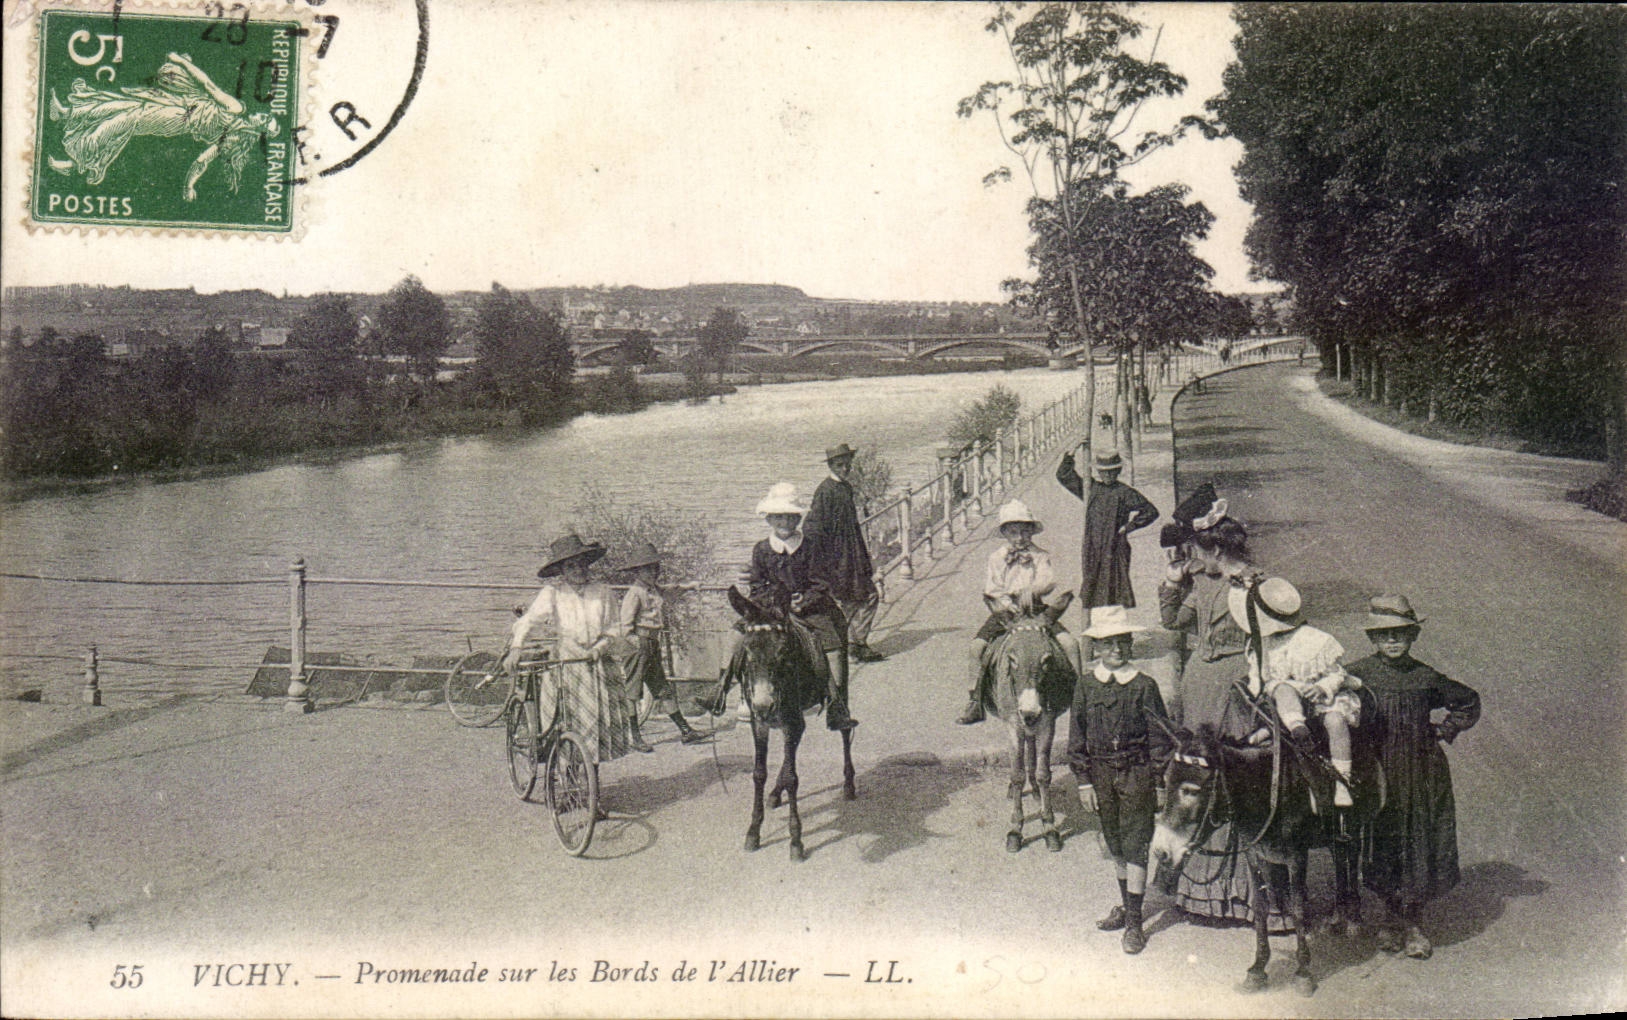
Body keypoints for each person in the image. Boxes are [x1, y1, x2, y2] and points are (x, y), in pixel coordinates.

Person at [1347, 595, 1480, 960]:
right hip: (1378, 772)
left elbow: (1468, 700)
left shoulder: (1425, 677)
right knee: (1383, 841)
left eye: (1401, 633)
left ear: (1413, 636)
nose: (1392, 640)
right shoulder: (1357, 675)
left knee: (1418, 842)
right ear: (1373, 638)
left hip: (1422, 773)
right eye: (1384, 634)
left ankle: (1414, 924)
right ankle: (1390, 918)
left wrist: (1445, 729)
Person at [1066, 606, 1173, 955]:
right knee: (1115, 842)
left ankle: (1134, 923)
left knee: (1136, 843)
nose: (1117, 649)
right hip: (1100, 776)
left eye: (1123, 642)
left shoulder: (1144, 686)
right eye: (1109, 643)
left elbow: (1160, 739)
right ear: (1096, 647)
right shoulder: (1085, 686)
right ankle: (1127, 906)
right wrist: (1084, 781)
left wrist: (1158, 781)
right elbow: (1077, 736)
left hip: (1136, 773)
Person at [504, 533, 632, 807]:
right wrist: (516, 647)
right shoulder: (552, 594)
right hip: (565, 667)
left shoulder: (603, 592)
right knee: (563, 728)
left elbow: (613, 629)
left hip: (596, 667)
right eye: (571, 566)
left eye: (582, 564)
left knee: (593, 732)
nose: (578, 570)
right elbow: (529, 621)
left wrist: (599, 648)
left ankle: (592, 796)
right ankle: (567, 789)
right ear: (561, 571)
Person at [48, 52, 279, 200]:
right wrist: (189, 186)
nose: (261, 115)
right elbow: (202, 160)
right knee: (126, 104)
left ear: (260, 129)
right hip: (178, 103)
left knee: (128, 118)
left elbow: (208, 86)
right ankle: (67, 113)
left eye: (264, 120)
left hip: (178, 117)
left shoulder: (236, 114)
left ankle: (75, 161)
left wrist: (181, 62)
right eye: (265, 115)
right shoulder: (235, 129)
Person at [1229, 576, 1362, 810]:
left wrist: (1322, 688)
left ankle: (1343, 781)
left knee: (1336, 721)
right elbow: (1256, 679)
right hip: (1284, 702)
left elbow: (1337, 674)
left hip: (1319, 699)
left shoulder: (1313, 640)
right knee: (1282, 689)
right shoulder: (1262, 644)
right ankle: (1296, 728)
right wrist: (1257, 691)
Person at [740, 482, 857, 732]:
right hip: (773, 611)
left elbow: (821, 582)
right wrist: (773, 603)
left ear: (798, 518)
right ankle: (725, 693)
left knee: (833, 647)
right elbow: (757, 586)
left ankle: (836, 706)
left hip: (810, 608)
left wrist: (802, 600)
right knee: (738, 636)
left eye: (791, 517)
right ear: (769, 519)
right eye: (779, 517)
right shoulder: (762, 549)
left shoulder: (811, 546)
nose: (785, 522)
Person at [956, 500, 1082, 724]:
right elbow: (992, 587)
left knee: (1070, 644)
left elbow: (1048, 581)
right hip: (1006, 611)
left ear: (1032, 532)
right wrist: (1006, 603)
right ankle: (975, 700)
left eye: (1025, 532)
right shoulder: (997, 557)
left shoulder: (1040, 555)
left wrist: (1032, 590)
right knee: (976, 647)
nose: (1020, 537)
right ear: (1005, 533)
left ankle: (1081, 697)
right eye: (1013, 532)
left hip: (1036, 610)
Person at [1158, 485, 1261, 726]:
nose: (1197, 559)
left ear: (1215, 550)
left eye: (1199, 552)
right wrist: (1171, 584)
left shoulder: (1257, 583)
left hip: (1239, 679)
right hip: (1198, 680)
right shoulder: (1203, 581)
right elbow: (1172, 621)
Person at [1056, 444, 1159, 644]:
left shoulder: (1124, 492)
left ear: (1118, 471)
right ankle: (1097, 636)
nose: (1107, 476)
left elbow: (1150, 511)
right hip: (1093, 548)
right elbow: (1063, 475)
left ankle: (1120, 637)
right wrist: (1071, 453)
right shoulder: (1090, 489)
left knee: (1115, 589)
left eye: (1112, 472)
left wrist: (1129, 527)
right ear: (1098, 472)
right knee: (1093, 587)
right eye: (1103, 472)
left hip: (1115, 548)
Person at [617, 542, 707, 749]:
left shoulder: (654, 590)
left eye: (655, 568)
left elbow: (671, 591)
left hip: (652, 643)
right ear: (637, 571)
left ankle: (686, 731)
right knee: (633, 691)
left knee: (662, 687)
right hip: (638, 644)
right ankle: (635, 737)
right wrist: (635, 644)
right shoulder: (634, 593)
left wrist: (690, 586)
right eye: (647, 569)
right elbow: (625, 625)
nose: (653, 573)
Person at [803, 443, 884, 662]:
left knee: (866, 596)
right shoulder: (825, 491)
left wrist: (863, 558)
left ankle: (854, 644)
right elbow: (812, 527)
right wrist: (822, 560)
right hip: (837, 559)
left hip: (852, 555)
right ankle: (849, 646)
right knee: (853, 599)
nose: (845, 468)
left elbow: (853, 527)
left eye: (848, 464)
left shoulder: (846, 488)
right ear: (830, 465)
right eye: (840, 465)